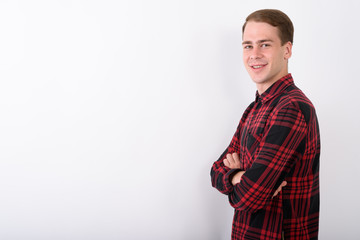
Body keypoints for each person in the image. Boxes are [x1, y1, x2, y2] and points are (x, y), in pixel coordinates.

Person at [210, 9, 320, 240]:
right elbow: (215, 171)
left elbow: (249, 197)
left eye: (265, 44)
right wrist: (238, 176)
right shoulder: (253, 109)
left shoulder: (291, 108)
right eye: (248, 45)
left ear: (287, 50)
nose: (254, 54)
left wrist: (243, 179)